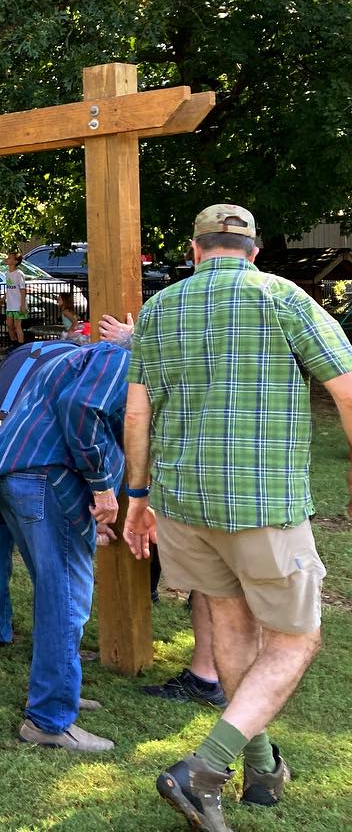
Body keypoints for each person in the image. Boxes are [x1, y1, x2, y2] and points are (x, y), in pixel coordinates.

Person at [122, 204, 352, 829]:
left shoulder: (162, 308)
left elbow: (136, 414)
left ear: (196, 250)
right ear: (252, 250)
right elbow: (348, 390)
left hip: (182, 506)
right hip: (265, 509)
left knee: (230, 624)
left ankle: (263, 765)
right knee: (294, 640)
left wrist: (136, 496)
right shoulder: (284, 298)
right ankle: (205, 769)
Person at [0, 340, 127, 752]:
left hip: (18, 475)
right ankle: (48, 719)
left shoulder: (80, 358)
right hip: (46, 478)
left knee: (55, 593)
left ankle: (57, 689)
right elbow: (81, 408)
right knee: (66, 600)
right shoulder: (122, 357)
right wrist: (101, 488)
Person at [98, 313, 226, 710]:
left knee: (218, 580)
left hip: (213, 472)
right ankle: (217, 674)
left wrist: (134, 338)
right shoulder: (277, 306)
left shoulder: (244, 313)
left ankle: (211, 677)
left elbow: (196, 362)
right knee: (219, 579)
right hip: (237, 474)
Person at [0, 338, 81, 652]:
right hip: (25, 439)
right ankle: (57, 642)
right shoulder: (77, 358)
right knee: (47, 548)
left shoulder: (19, 355)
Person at [2, 250, 27, 345]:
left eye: (10, 258)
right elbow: (9, 290)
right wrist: (2, 299)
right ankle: (14, 344)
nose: (7, 259)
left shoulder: (19, 274)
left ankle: (20, 346)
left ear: (16, 262)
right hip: (10, 305)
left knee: (17, 326)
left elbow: (23, 289)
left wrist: (23, 305)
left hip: (18, 305)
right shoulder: (7, 274)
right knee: (9, 325)